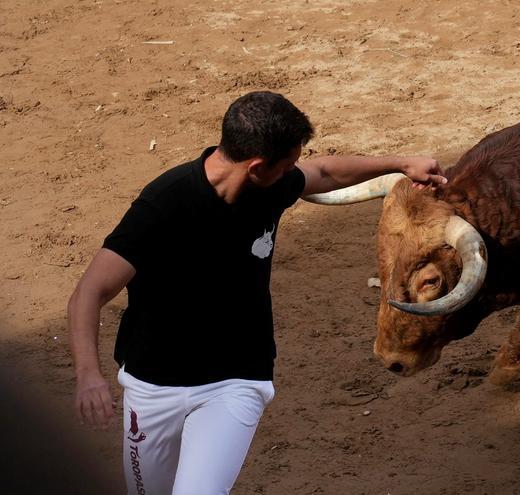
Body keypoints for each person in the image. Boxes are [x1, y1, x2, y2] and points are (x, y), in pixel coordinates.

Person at [67, 91, 446, 495]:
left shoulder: (270, 185)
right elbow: (89, 292)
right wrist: (89, 374)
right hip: (153, 386)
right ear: (258, 166)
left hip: (235, 381)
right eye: (287, 165)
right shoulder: (165, 204)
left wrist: (401, 163)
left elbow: (326, 173)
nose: (294, 173)